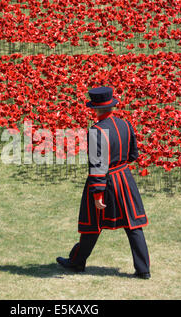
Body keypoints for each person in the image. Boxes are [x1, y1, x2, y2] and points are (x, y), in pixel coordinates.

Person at [56, 86, 151, 279]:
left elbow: (98, 165)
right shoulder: (125, 124)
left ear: (95, 108)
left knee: (92, 224)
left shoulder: (96, 131)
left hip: (107, 181)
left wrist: (98, 194)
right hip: (125, 177)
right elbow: (133, 154)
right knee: (133, 226)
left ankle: (76, 262)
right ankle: (143, 270)